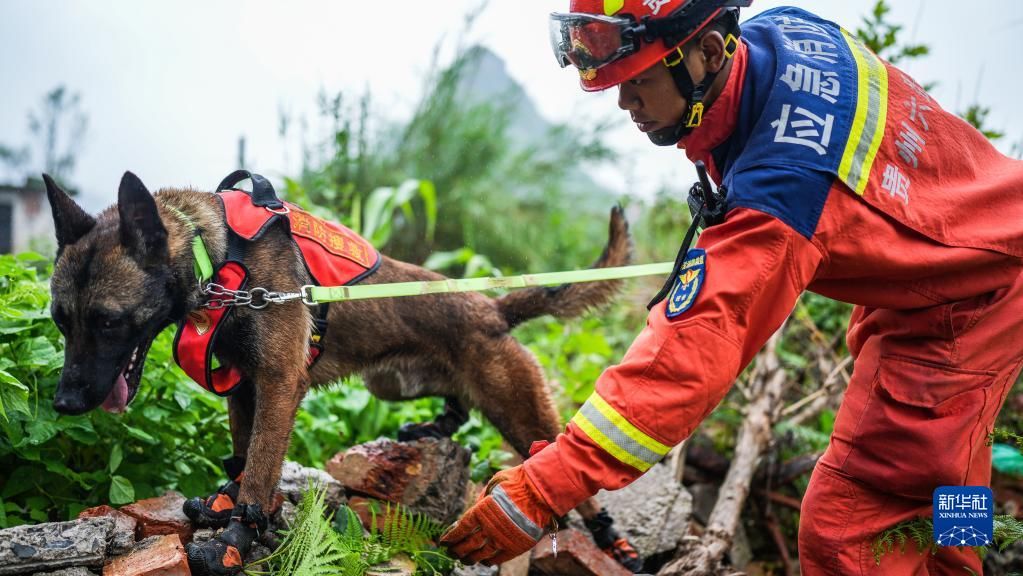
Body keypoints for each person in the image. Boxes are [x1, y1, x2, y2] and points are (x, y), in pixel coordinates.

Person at [440, 1, 1023, 573]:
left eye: (638, 81)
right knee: (954, 460)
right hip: (962, 255)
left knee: (846, 526)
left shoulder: (784, 186)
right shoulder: (782, 29)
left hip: (970, 300)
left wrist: (542, 488)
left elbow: (686, 359)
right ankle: (959, 562)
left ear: (710, 51)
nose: (625, 102)